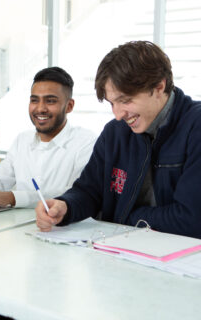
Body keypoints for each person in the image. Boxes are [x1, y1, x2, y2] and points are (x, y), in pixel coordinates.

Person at [36, 41, 201, 239]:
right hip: (124, 249)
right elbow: (89, 190)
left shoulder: (195, 126)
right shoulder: (115, 133)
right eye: (112, 103)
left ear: (159, 86)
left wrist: (125, 218)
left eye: (125, 100)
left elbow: (192, 219)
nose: (118, 114)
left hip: (183, 260)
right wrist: (66, 206)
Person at [0, 67, 96, 209]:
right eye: (34, 100)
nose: (40, 108)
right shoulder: (23, 140)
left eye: (50, 101)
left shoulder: (86, 142)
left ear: (69, 106)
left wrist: (12, 197)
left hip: (66, 228)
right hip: (19, 225)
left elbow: (76, 193)